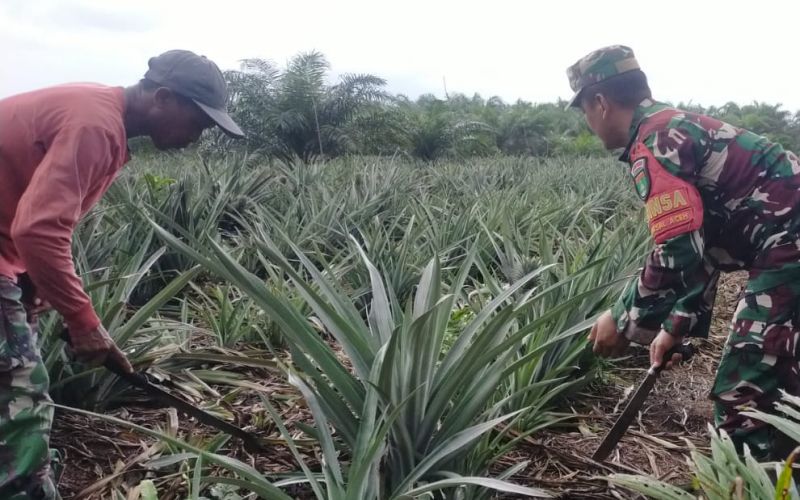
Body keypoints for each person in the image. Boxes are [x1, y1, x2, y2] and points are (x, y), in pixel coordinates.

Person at [0, 49, 244, 500]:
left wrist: (30, 280)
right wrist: (84, 322)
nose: (198, 136)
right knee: (20, 405)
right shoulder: (94, 124)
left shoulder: (99, 115)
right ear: (165, 98)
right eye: (199, 123)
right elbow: (39, 228)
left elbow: (20, 206)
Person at [565, 45, 800, 462]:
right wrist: (675, 326)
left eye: (584, 109)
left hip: (789, 251)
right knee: (782, 390)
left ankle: (747, 485)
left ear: (600, 103)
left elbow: (677, 247)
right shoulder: (674, 126)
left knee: (744, 400)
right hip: (784, 249)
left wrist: (621, 319)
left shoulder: (655, 143)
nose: (589, 121)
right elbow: (705, 242)